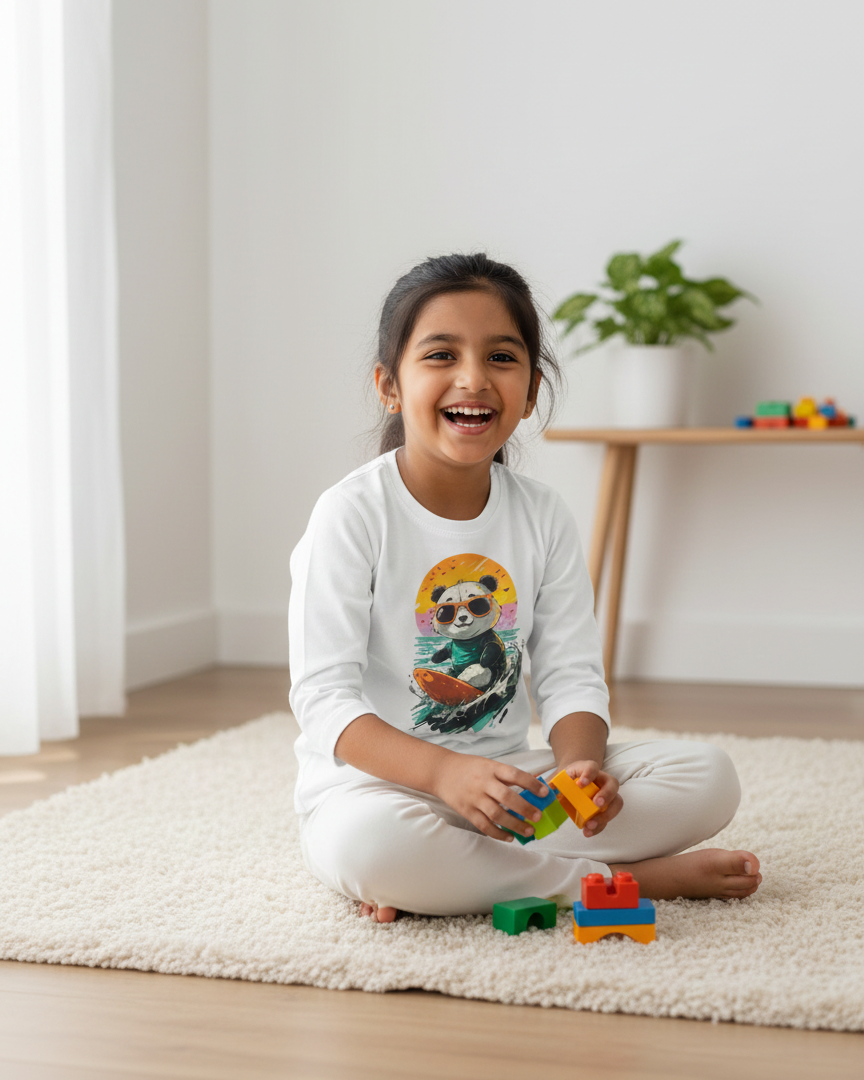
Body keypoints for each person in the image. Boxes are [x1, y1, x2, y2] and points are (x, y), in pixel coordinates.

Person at [288, 252, 761, 922]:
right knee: (376, 849)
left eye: (502, 358)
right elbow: (323, 700)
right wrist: (447, 776)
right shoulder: (352, 514)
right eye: (441, 355)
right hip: (378, 793)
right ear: (389, 385)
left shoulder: (542, 514)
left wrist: (578, 771)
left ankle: (462, 878)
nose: (473, 379)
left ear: (532, 389)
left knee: (709, 779)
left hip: (516, 791)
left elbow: (570, 675)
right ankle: (635, 880)